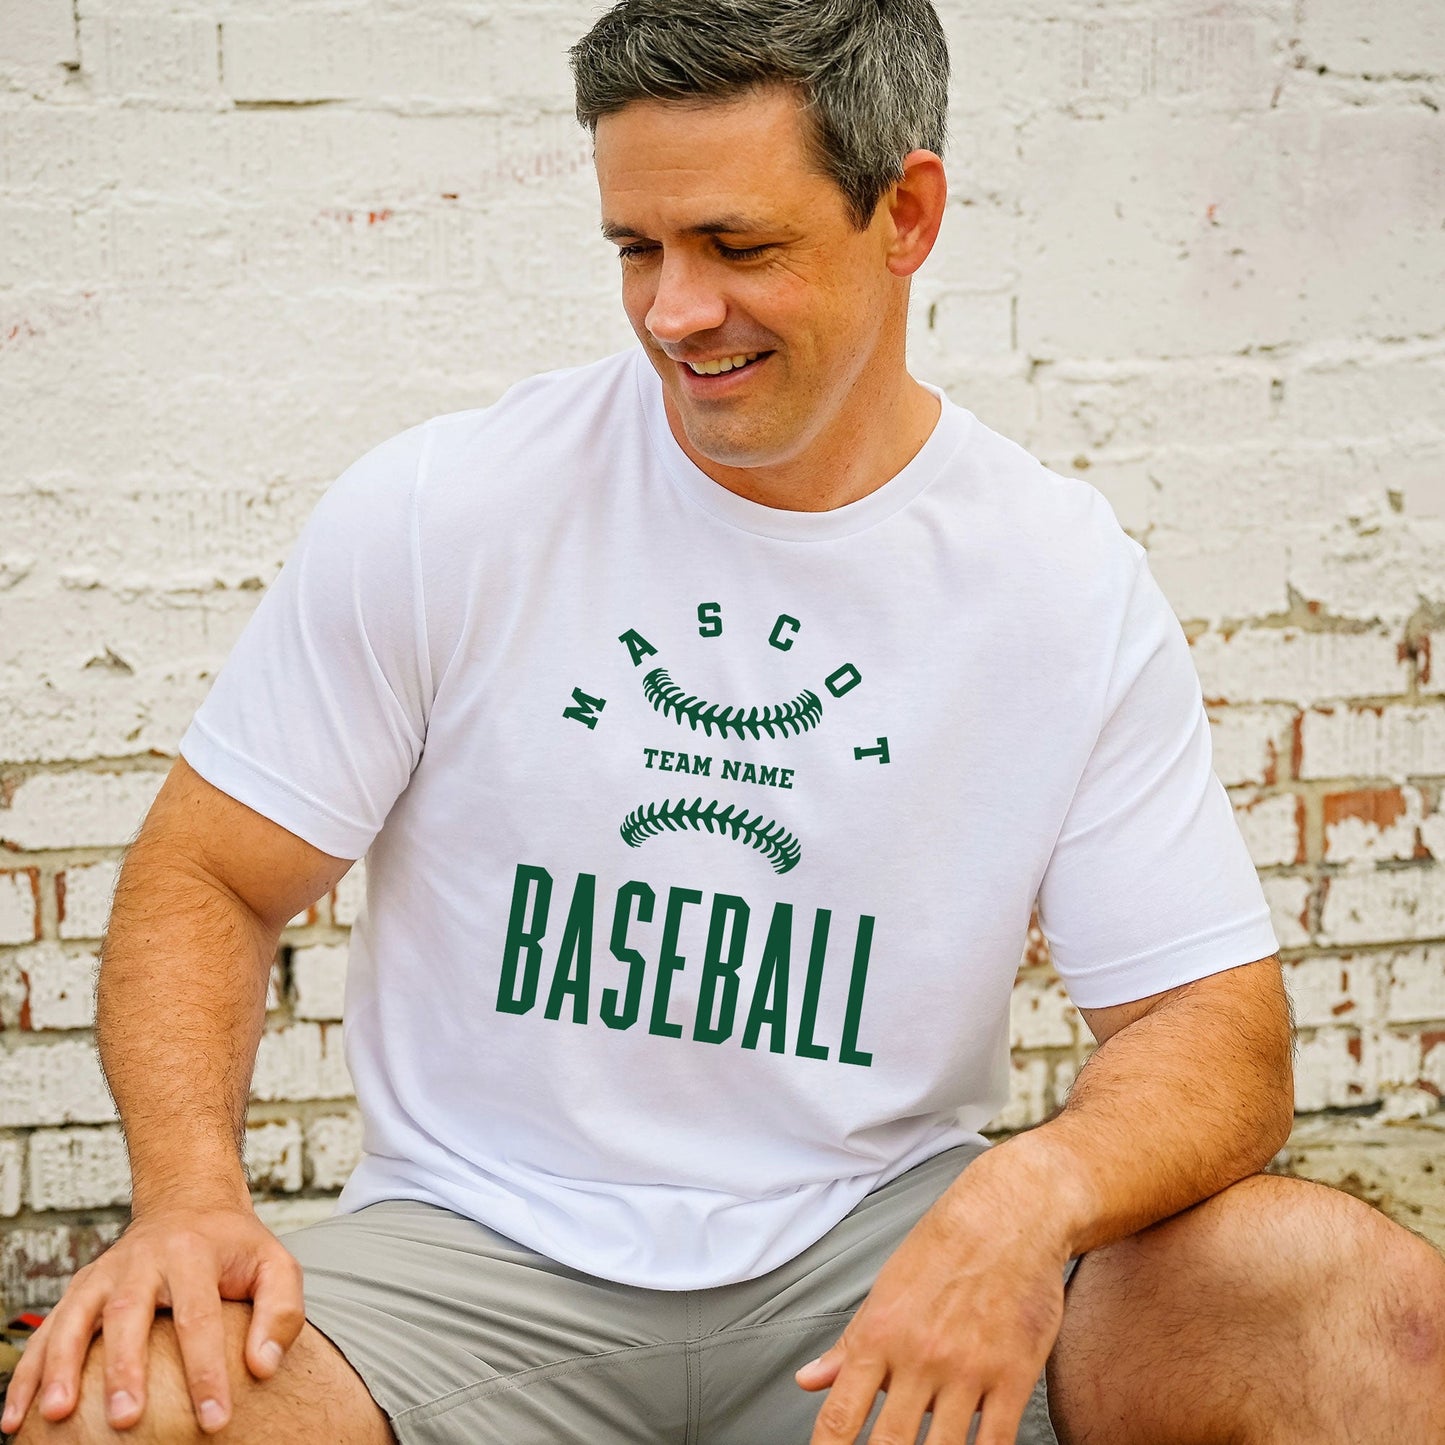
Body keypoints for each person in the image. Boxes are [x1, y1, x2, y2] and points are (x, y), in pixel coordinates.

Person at [7, 1, 1445, 1442]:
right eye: (637, 248)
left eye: (736, 246)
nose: (671, 311)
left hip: (873, 1260)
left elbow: (1213, 1029)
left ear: (906, 213)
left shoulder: (1056, 580)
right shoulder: (451, 508)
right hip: (477, 1259)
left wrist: (1032, 1193)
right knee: (106, 1417)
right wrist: (188, 1200)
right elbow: (211, 872)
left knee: (1355, 1312)